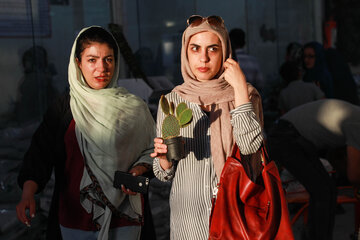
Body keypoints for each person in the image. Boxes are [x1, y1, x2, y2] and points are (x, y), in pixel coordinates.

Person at [16, 26, 155, 240]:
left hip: (127, 220)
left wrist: (140, 168)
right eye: (92, 60)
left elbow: (153, 152)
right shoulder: (65, 108)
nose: (102, 68)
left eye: (108, 59)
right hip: (73, 221)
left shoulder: (135, 109)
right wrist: (28, 193)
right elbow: (39, 155)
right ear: (78, 63)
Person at [150, 15, 264, 239]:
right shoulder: (172, 101)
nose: (203, 58)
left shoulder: (246, 95)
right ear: (185, 52)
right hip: (188, 220)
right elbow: (163, 174)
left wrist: (240, 89)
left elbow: (250, 146)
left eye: (213, 49)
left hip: (235, 214)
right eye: (195, 48)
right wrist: (164, 160)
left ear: (225, 53)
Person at [267, 99, 360, 240]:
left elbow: (335, 157)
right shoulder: (357, 124)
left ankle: (313, 236)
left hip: (287, 133)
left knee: (325, 190)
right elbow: (353, 176)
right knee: (323, 191)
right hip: (287, 137)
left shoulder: (354, 116)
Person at [229, 28, 264, 95]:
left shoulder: (228, 62)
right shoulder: (253, 61)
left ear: (229, 43)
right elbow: (260, 84)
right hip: (251, 97)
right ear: (244, 43)